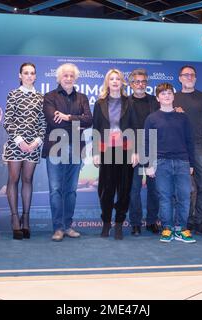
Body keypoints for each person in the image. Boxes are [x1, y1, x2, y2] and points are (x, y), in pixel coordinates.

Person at [42, 63, 93, 242]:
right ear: (59, 78)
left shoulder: (82, 98)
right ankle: (57, 228)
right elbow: (53, 121)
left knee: (70, 190)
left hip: (77, 148)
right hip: (55, 148)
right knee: (56, 189)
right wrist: (74, 121)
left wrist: (68, 117)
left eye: (72, 75)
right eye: (65, 75)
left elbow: (89, 120)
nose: (69, 78)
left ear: (76, 78)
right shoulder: (49, 97)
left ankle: (67, 226)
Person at [145, 82, 196, 243]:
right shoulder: (152, 118)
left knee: (184, 197)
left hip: (182, 162)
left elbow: (189, 141)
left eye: (169, 93)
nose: (166, 96)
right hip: (161, 163)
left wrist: (191, 164)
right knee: (165, 197)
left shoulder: (183, 117)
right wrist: (149, 164)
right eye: (163, 94)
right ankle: (167, 228)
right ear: (158, 98)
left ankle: (181, 229)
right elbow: (148, 142)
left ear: (173, 96)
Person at [92, 68, 139, 240]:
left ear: (121, 82)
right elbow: (96, 128)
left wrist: (136, 152)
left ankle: (119, 223)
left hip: (126, 149)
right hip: (106, 150)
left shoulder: (129, 102)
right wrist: (96, 152)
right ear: (107, 82)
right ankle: (106, 223)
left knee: (124, 189)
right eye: (111, 79)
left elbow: (135, 127)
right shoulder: (100, 103)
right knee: (106, 189)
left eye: (117, 78)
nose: (114, 81)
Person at [3, 62, 46, 240]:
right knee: (14, 179)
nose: (29, 76)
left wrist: (36, 142)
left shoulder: (41, 98)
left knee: (28, 180)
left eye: (32, 73)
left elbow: (43, 122)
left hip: (33, 147)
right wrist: (20, 141)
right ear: (20, 75)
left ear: (35, 76)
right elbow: (8, 121)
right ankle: (14, 219)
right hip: (15, 145)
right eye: (26, 73)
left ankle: (26, 219)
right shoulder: (13, 94)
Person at [173, 65, 202, 238]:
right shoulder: (172, 98)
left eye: (192, 75)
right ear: (180, 78)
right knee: (186, 189)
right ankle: (187, 221)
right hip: (180, 148)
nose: (189, 77)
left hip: (199, 147)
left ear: (195, 78)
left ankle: (201, 221)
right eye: (186, 75)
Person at [127, 69, 160, 236]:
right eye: (137, 81)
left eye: (143, 81)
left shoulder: (155, 101)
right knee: (134, 189)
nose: (140, 84)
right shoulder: (125, 102)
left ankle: (152, 221)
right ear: (131, 84)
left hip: (153, 147)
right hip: (133, 151)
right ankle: (135, 223)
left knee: (154, 188)